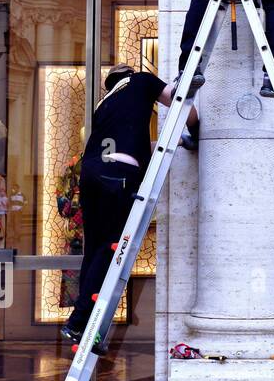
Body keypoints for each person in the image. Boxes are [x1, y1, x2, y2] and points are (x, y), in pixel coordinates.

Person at [60, 65, 199, 344]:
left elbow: (124, 146)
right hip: (117, 176)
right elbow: (182, 101)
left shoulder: (105, 104)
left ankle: (81, 319)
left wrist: (174, 143)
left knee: (95, 249)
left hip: (92, 174)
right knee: (111, 247)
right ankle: (79, 321)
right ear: (131, 74)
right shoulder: (143, 80)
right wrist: (196, 131)